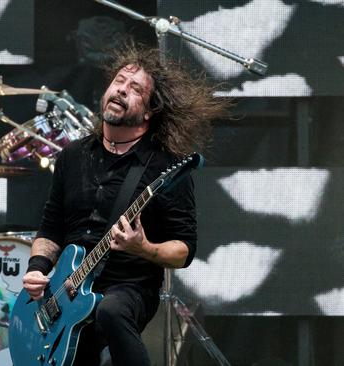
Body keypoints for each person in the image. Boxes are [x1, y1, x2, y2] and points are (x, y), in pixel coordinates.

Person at [21, 43, 228, 365]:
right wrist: (37, 270)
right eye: (119, 81)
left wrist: (143, 247)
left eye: (135, 89)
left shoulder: (165, 165)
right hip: (66, 291)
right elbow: (51, 227)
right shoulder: (73, 156)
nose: (121, 90)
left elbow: (184, 250)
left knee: (110, 311)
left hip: (130, 287)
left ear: (148, 111)